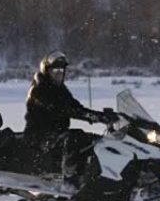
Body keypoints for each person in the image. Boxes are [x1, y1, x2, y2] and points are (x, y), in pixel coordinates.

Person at [24, 51, 114, 189]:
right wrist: (93, 117)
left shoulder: (60, 89)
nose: (59, 73)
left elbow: (75, 107)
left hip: (57, 133)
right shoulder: (38, 89)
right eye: (55, 70)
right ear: (47, 71)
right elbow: (62, 109)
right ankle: (68, 179)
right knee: (75, 137)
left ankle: (96, 177)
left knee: (95, 140)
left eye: (61, 70)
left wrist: (102, 116)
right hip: (40, 135)